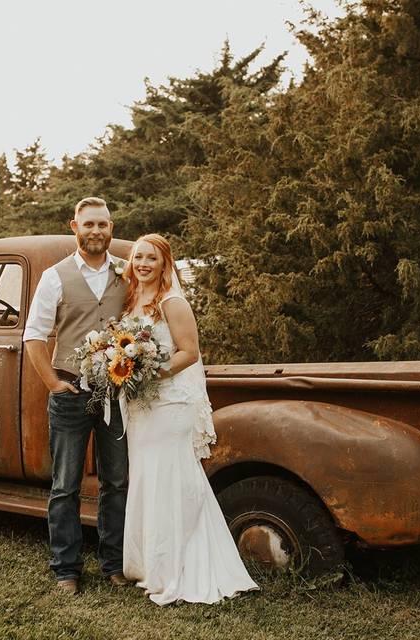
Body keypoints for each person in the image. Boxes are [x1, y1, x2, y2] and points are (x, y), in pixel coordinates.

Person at [120, 233, 260, 605]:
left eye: (151, 258)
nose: (143, 264)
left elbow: (190, 352)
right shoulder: (134, 299)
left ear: (165, 263)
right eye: (138, 257)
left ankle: (181, 568)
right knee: (148, 478)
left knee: (171, 478)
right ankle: (154, 564)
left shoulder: (173, 301)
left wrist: (150, 373)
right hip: (141, 408)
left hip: (169, 404)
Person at [22, 197, 130, 595]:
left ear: (111, 227)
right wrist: (53, 382)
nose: (96, 231)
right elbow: (33, 335)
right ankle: (66, 569)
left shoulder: (126, 273)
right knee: (65, 485)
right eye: (89, 224)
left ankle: (114, 564)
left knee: (116, 481)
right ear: (75, 226)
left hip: (117, 393)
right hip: (70, 392)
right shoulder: (55, 276)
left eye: (102, 224)